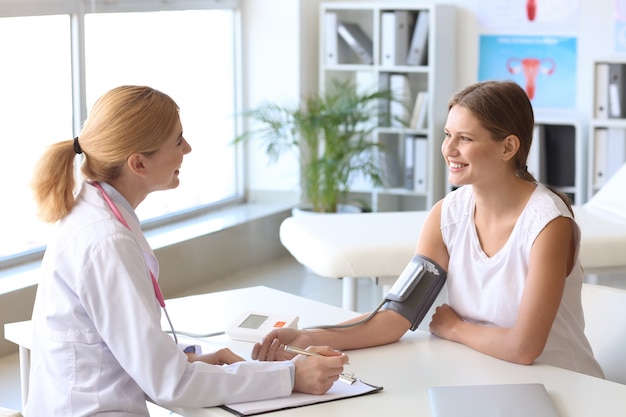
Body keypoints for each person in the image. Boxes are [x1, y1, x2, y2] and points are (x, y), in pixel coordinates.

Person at [26, 85, 349, 416]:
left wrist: (188, 357)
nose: (188, 149)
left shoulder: (88, 212)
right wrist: (291, 376)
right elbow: (171, 385)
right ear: (138, 163)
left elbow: (111, 344)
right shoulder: (108, 241)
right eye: (178, 141)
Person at [252, 80, 604, 379]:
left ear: (508, 147)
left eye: (465, 138)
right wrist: (305, 337)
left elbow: (524, 348)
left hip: (565, 383)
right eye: (448, 134)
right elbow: (395, 317)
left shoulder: (548, 225)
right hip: (487, 376)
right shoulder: (447, 216)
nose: (448, 149)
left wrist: (455, 328)